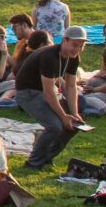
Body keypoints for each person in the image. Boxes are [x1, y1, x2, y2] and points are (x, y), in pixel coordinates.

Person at [12, 28, 85, 171]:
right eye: (75, 45)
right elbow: (49, 92)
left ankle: (46, 158)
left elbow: (70, 86)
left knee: (74, 124)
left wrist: (74, 113)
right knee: (55, 126)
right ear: (64, 41)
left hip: (42, 92)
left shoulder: (73, 57)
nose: (78, 49)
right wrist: (63, 116)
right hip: (28, 93)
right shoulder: (49, 56)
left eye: (81, 46)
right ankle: (33, 163)